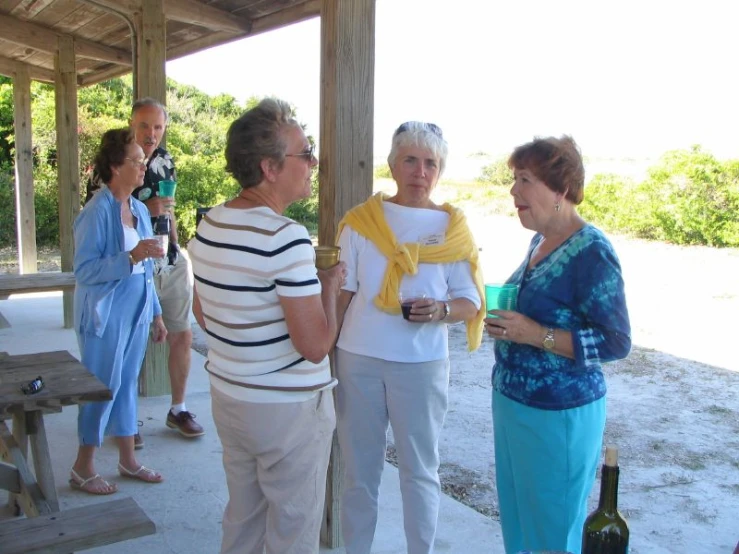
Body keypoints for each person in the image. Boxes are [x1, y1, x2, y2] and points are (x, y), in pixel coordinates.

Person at [188, 98, 345, 554]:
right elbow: (315, 346)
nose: (313, 162)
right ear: (269, 168)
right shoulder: (286, 238)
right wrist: (328, 288)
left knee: (243, 519)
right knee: (293, 532)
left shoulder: (210, 224)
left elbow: (204, 313)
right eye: (304, 153)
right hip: (287, 411)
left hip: (231, 397)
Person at [334, 121, 485, 554]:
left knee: (420, 471)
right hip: (358, 358)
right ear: (393, 165)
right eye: (411, 160)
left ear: (440, 171)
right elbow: (343, 293)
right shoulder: (361, 222)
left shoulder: (452, 227)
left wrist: (440, 310)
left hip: (422, 366)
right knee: (359, 472)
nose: (421, 171)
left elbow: (470, 301)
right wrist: (321, 350)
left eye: (431, 163)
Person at [486, 136, 631, 554]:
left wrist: (535, 334)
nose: (514, 191)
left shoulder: (592, 252)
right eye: (514, 179)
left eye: (525, 180)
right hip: (514, 404)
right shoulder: (540, 240)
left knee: (552, 534)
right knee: (518, 525)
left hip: (559, 416)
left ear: (561, 189)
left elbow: (616, 341)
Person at [86, 97, 203, 446]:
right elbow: (100, 209)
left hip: (167, 259)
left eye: (157, 127)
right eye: (144, 126)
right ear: (131, 124)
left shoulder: (166, 160)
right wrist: (145, 205)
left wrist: (177, 250)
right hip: (133, 265)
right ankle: (125, 420)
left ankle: (178, 408)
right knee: (129, 344)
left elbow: (169, 210)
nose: (151, 134)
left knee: (182, 335)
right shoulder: (114, 160)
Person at [70, 128, 167, 495]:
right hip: (104, 315)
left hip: (137, 313)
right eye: (136, 160)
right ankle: (83, 466)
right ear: (114, 165)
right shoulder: (95, 212)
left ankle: (128, 460)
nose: (143, 166)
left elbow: (146, 270)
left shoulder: (140, 209)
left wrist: (156, 314)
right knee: (101, 388)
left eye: (144, 161)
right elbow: (85, 271)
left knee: (126, 386)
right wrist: (130, 256)